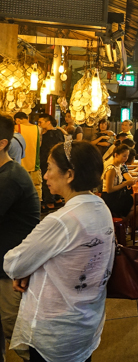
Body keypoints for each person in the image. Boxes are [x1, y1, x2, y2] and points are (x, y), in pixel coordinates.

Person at [3, 139, 113, 362]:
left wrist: (26, 269)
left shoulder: (62, 221)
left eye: (50, 168)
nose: (45, 176)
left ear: (70, 175)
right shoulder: (101, 207)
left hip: (55, 331)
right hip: (86, 323)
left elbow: (13, 264)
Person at [0, 113, 39, 362]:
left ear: (2, 143)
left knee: (15, 330)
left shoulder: (10, 177)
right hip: (5, 264)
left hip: (11, 270)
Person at [38, 113, 65, 210]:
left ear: (48, 122)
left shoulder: (45, 135)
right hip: (59, 160)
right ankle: (58, 199)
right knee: (57, 178)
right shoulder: (59, 132)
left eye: (40, 122)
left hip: (46, 161)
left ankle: (49, 202)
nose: (39, 124)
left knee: (47, 180)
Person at [102, 144, 136, 218]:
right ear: (116, 155)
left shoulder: (119, 166)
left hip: (117, 195)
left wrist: (127, 184)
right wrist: (124, 184)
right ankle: (125, 224)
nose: (126, 158)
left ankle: (127, 225)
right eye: (124, 156)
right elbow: (109, 189)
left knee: (137, 200)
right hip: (111, 199)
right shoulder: (111, 169)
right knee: (137, 204)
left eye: (127, 156)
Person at [14, 112, 41, 201]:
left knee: (20, 188)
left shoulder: (16, 128)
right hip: (34, 163)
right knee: (36, 187)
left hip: (21, 163)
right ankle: (38, 205)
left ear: (17, 120)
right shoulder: (38, 128)